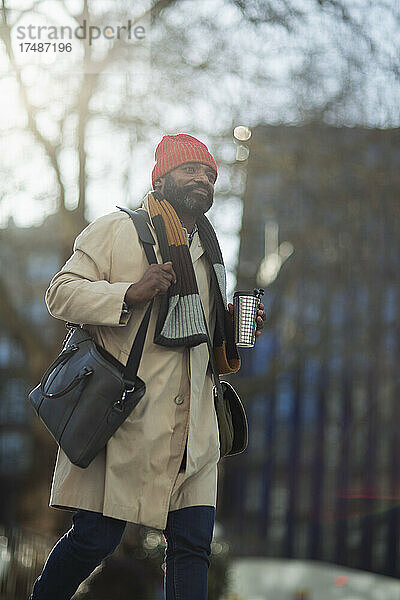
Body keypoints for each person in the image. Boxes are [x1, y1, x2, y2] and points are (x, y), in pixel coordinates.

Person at [29, 133, 266, 600]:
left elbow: (206, 339)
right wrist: (128, 293)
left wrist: (240, 323)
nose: (202, 179)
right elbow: (59, 293)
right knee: (94, 539)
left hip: (195, 428)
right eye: (190, 170)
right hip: (128, 420)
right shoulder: (118, 228)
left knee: (193, 546)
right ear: (162, 177)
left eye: (209, 174)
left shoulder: (212, 253)